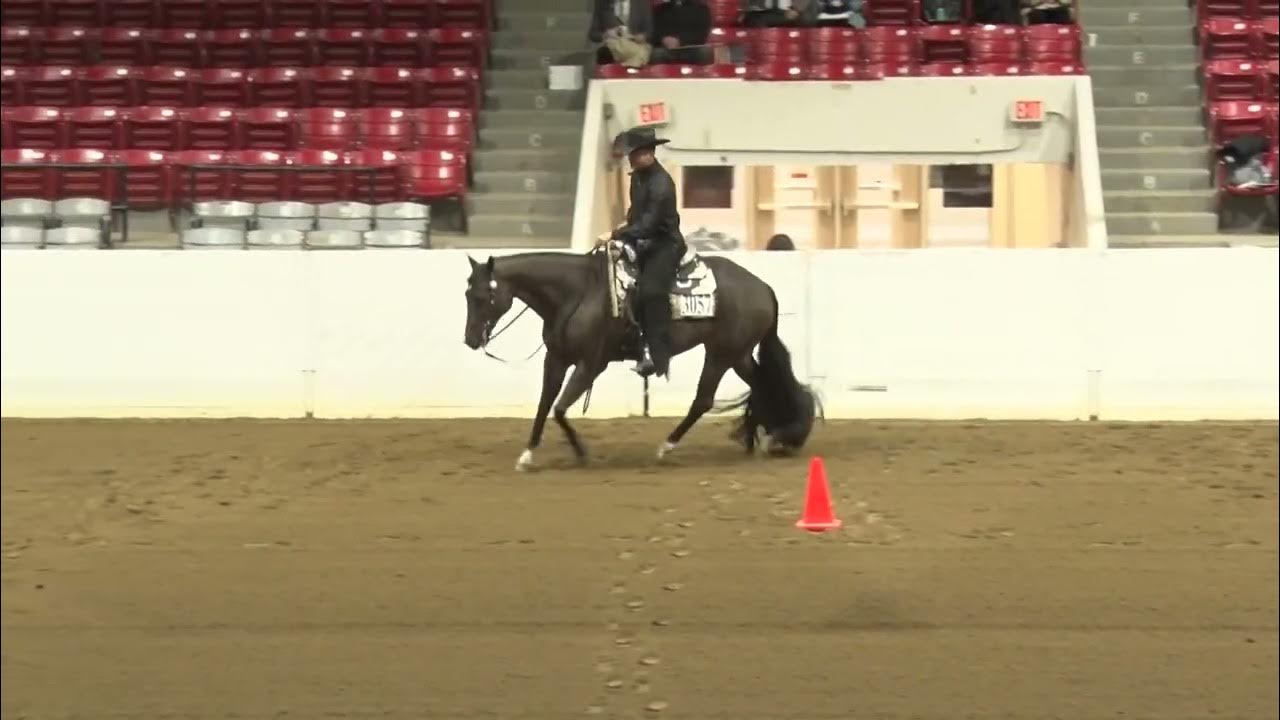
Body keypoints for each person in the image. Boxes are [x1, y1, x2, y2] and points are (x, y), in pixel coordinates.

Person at [606, 127, 686, 379]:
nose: (630, 158)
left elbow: (650, 224)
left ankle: (659, 356)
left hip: (665, 245)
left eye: (635, 153)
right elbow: (636, 214)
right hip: (644, 242)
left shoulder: (662, 183)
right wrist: (624, 226)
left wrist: (615, 235)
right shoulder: (638, 177)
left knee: (652, 292)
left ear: (649, 153)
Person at [589, 0, 654, 67]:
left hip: (634, 44)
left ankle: (630, 67)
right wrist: (606, 35)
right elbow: (593, 34)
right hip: (612, 46)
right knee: (604, 53)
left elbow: (649, 32)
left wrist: (643, 36)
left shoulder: (642, 2)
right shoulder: (602, 3)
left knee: (644, 52)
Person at [651, 0, 713, 65]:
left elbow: (701, 34)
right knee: (656, 54)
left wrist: (680, 41)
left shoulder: (702, 8)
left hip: (691, 49)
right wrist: (663, 39)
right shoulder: (659, 9)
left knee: (704, 52)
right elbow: (654, 31)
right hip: (666, 49)